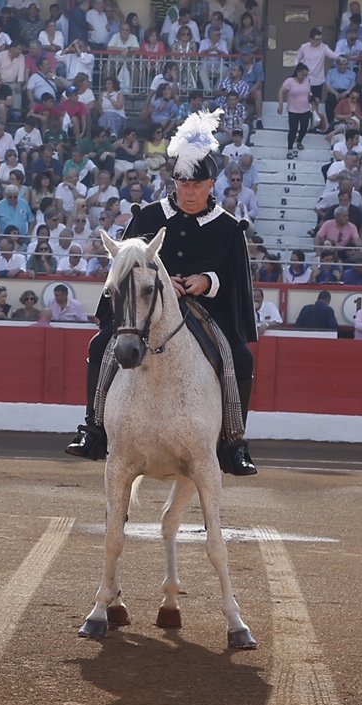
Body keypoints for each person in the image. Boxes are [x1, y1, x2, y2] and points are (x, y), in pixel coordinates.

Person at [66, 110, 258, 475]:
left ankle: (233, 442)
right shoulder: (148, 216)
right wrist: (160, 282)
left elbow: (235, 282)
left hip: (205, 311)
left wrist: (206, 281)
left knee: (240, 359)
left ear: (211, 185)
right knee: (99, 345)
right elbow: (124, 266)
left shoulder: (229, 228)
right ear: (175, 181)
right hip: (145, 309)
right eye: (184, 184)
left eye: (197, 186)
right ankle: (93, 428)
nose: (190, 192)